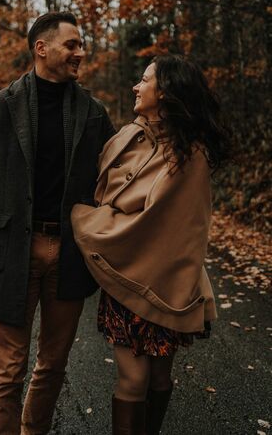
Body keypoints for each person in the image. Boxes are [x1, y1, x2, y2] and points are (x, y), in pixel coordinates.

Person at [0, 11, 115, 435]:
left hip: (69, 254)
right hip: (12, 253)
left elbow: (118, 176)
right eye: (72, 44)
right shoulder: (0, 107)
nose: (80, 52)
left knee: (53, 365)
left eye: (80, 44)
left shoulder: (92, 112)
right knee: (8, 370)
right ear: (42, 48)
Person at [72, 54, 230, 435]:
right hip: (127, 276)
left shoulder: (188, 155)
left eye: (145, 80)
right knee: (133, 380)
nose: (136, 86)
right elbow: (105, 192)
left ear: (166, 92)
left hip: (163, 279)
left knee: (156, 379)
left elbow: (168, 227)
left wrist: (86, 222)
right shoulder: (130, 136)